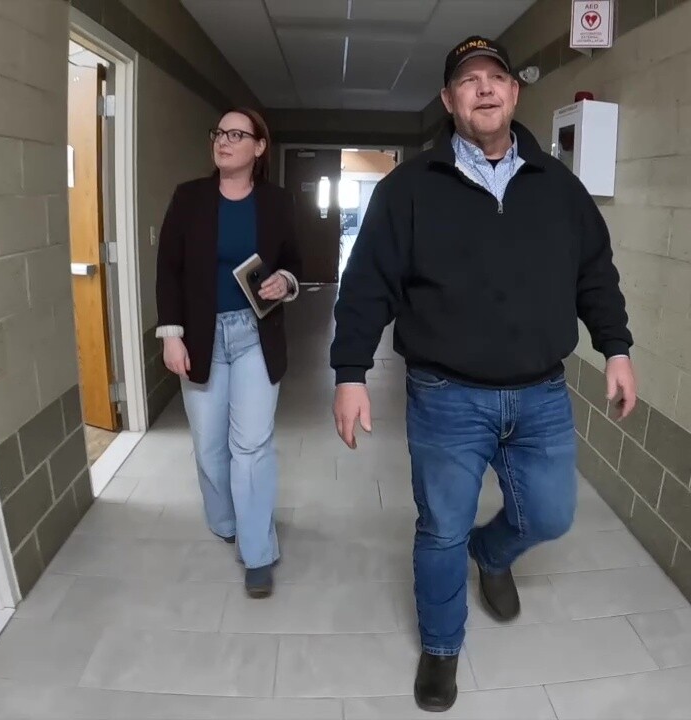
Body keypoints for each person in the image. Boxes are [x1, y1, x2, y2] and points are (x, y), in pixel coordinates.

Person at [329, 36, 638, 712]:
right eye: (468, 80)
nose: (485, 88)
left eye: (496, 76)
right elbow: (365, 286)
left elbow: (595, 274)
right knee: (440, 526)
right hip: (447, 396)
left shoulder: (558, 187)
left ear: (515, 92)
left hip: (542, 394)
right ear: (449, 100)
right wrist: (349, 371)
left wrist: (615, 347)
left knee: (552, 515)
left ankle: (492, 555)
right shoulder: (407, 190)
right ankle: (441, 648)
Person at [155, 108, 301, 599]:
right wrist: (170, 333)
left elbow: (294, 263)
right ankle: (226, 521)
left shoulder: (276, 203)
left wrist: (287, 281)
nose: (224, 141)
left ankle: (258, 552)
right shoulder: (189, 198)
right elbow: (168, 269)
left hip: (256, 334)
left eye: (237, 134)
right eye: (219, 132)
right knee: (209, 447)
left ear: (259, 147)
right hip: (200, 337)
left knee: (252, 446)